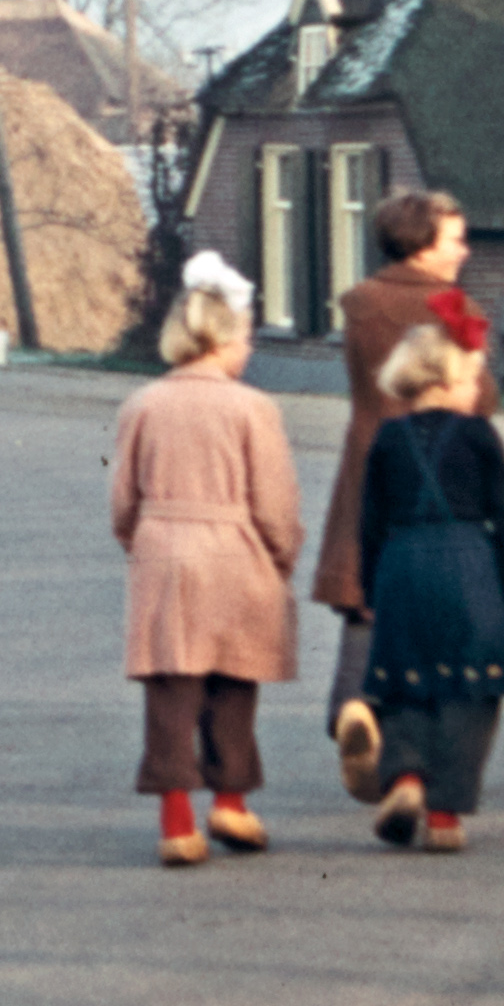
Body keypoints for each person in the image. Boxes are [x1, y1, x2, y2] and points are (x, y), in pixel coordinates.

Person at [107, 251, 304, 866]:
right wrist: (282, 556)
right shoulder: (254, 408)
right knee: (233, 682)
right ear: (223, 341)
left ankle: (176, 821)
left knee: (172, 688)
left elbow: (123, 501)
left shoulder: (142, 404)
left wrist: (142, 542)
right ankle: (231, 802)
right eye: (244, 338)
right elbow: (274, 502)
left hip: (164, 551)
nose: (248, 349)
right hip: (235, 552)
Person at [352, 303, 504, 851]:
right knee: (472, 689)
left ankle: (407, 776)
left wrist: (370, 588)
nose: (478, 390)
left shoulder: (387, 438)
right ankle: (444, 814)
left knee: (403, 678)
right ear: (447, 379)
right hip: (468, 563)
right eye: (473, 378)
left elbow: (369, 524)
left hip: (401, 564)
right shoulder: (480, 436)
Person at [320, 186, 483, 798]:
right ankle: (411, 754)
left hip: (368, 467)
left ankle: (354, 706)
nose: (464, 251)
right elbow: (482, 398)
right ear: (421, 244)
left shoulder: (360, 302)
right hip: (439, 474)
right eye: (455, 240)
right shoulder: (454, 308)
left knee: (365, 601)